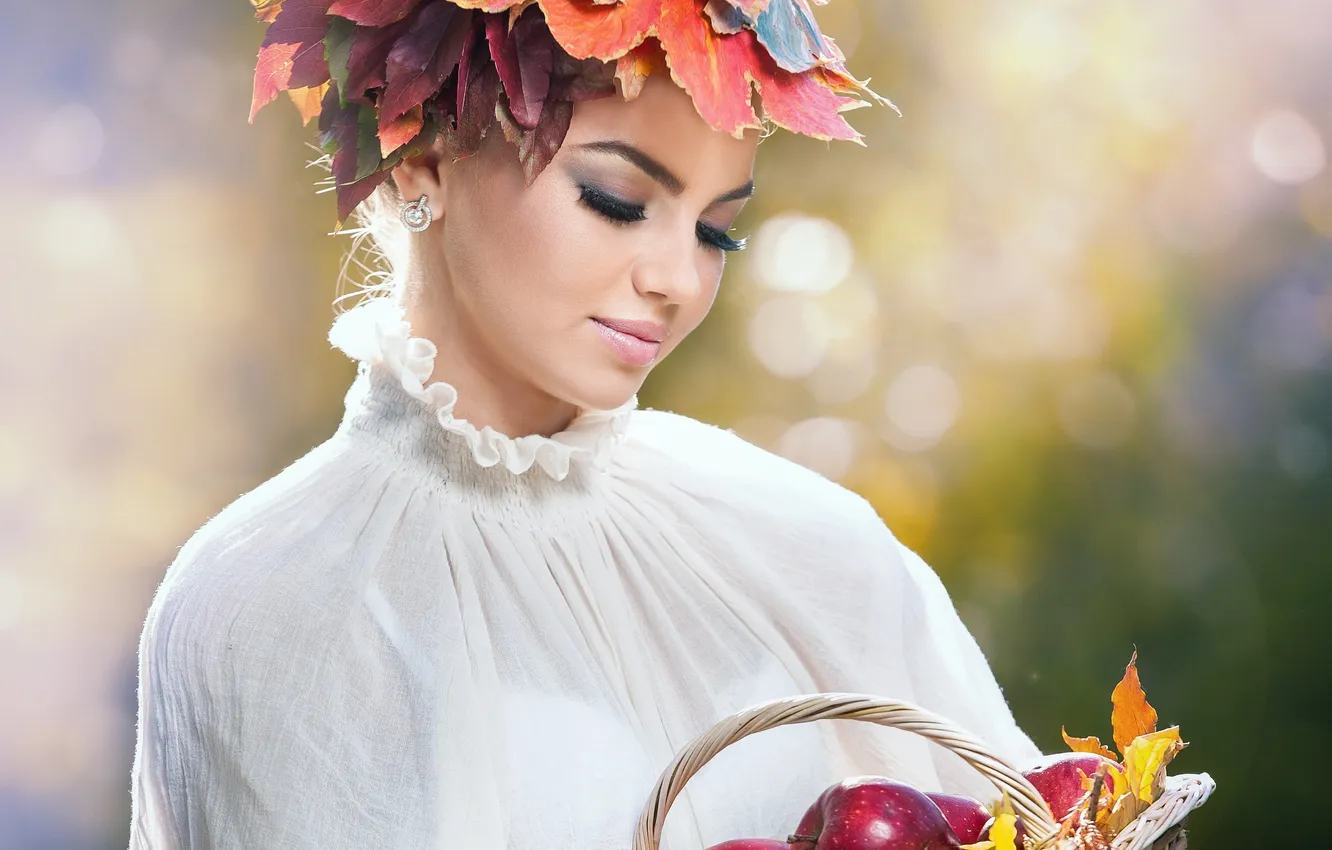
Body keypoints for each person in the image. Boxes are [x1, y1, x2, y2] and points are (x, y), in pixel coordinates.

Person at [126, 1, 1041, 848]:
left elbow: (1024, 817)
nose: (679, 280)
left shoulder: (802, 545)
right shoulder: (264, 608)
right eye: (616, 201)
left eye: (715, 232)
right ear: (421, 160)